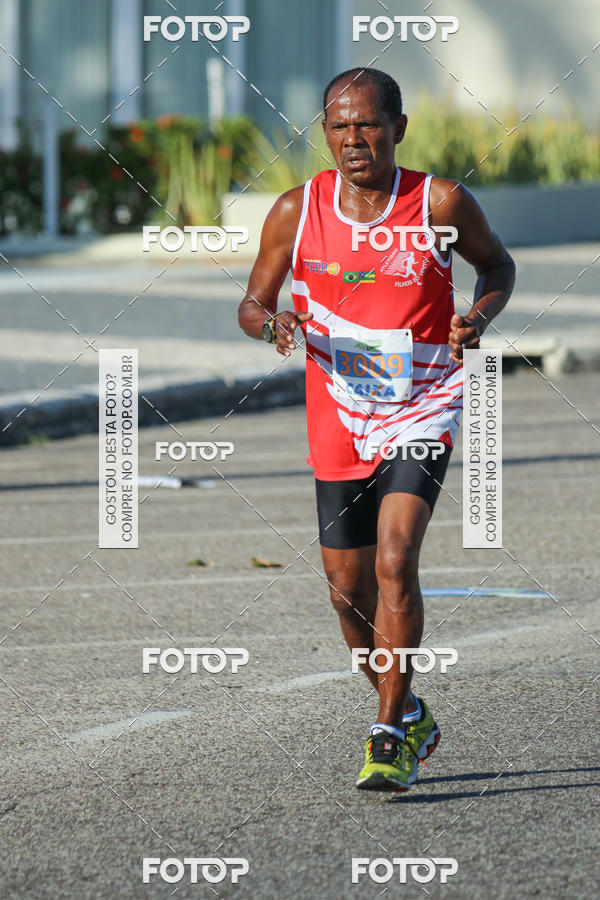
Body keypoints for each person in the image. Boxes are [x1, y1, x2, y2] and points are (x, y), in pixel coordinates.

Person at [238, 68, 515, 791]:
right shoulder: (297, 211)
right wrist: (273, 322)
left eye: (368, 124)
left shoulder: (440, 202)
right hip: (338, 414)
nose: (354, 140)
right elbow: (251, 303)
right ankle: (409, 706)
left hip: (423, 405)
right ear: (323, 133)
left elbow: (497, 266)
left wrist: (477, 317)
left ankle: (388, 732)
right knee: (346, 591)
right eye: (339, 126)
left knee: (395, 560)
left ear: (398, 126)